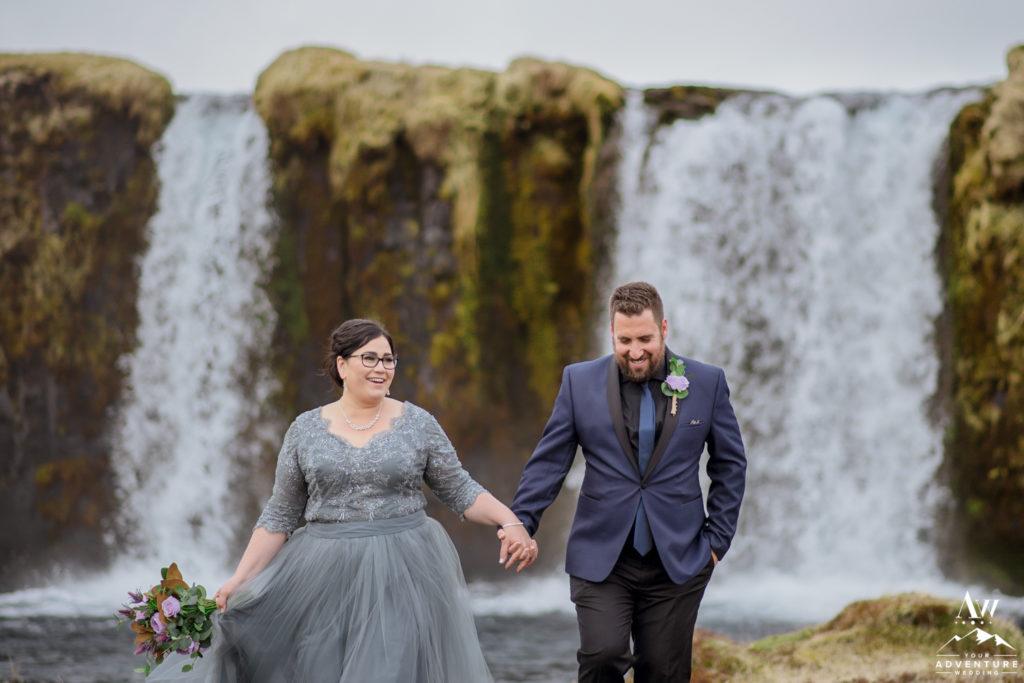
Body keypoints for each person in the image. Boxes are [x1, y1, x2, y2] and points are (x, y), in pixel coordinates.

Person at [149, 318, 537, 682]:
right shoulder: (304, 429)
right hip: (321, 573)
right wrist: (239, 579)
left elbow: (460, 490)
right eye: (369, 358)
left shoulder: (418, 423)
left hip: (404, 569)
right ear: (342, 365)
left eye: (388, 360)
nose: (381, 368)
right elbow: (281, 515)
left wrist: (511, 521)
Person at [507, 281, 746, 682]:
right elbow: (549, 462)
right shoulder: (577, 382)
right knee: (603, 657)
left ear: (664, 329)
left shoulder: (707, 383)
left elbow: (730, 464)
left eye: (646, 339)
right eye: (625, 340)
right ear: (611, 334)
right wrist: (520, 521)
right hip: (601, 555)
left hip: (679, 558)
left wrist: (716, 542)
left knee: (663, 672)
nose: (636, 351)